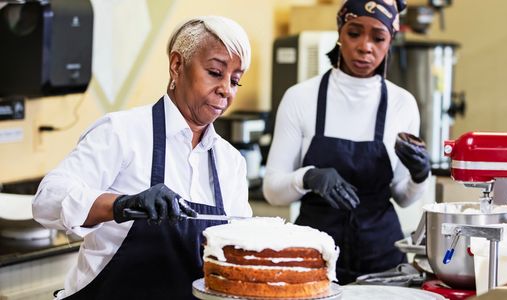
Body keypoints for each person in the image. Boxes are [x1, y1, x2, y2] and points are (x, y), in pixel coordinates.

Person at [32, 16, 252, 299]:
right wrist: (123, 204)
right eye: (214, 72)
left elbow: (239, 254)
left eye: (235, 80)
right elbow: (47, 200)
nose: (226, 90)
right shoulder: (121, 133)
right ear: (176, 65)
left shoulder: (230, 162)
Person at [263, 0, 431, 284]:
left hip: (382, 260)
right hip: (312, 258)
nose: (365, 46)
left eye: (378, 37)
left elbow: (403, 197)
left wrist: (420, 176)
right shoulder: (300, 98)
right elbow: (272, 191)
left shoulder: (402, 104)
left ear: (390, 41)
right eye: (355, 33)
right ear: (340, 32)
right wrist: (309, 177)